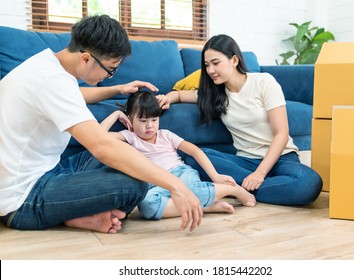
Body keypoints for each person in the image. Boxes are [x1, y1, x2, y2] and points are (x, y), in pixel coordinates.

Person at [0, 15, 203, 234]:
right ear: (86, 58)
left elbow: (73, 94)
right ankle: (72, 214)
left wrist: (119, 89)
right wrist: (176, 185)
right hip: (22, 199)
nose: (109, 77)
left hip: (46, 170)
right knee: (135, 185)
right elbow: (103, 147)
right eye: (110, 69)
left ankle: (78, 215)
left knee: (125, 154)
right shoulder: (52, 82)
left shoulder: (46, 65)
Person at [157, 34, 323, 206]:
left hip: (282, 158)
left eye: (215, 63)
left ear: (234, 60)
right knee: (195, 158)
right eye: (207, 65)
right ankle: (261, 187)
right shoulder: (214, 94)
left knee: (309, 183)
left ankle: (237, 188)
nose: (210, 70)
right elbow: (180, 95)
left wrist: (259, 174)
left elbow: (281, 134)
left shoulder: (263, 82)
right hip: (246, 162)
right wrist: (167, 98)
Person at [100, 91, 256, 220]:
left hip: (180, 174)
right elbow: (98, 137)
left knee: (196, 189)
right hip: (155, 182)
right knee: (147, 206)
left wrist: (215, 176)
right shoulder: (130, 136)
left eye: (154, 120)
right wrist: (116, 114)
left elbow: (195, 151)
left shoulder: (165, 135)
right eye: (142, 121)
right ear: (130, 120)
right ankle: (204, 207)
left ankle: (234, 190)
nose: (150, 126)